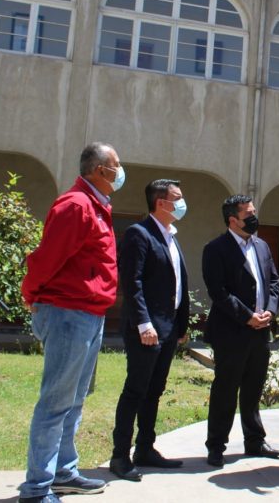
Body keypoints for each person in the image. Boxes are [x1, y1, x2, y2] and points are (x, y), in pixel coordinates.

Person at [18, 142, 123, 503]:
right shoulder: (76, 206)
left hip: (88, 314)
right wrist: (31, 294)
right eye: (115, 166)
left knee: (74, 400)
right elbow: (47, 258)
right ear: (99, 170)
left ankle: (63, 472)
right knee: (55, 402)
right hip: (67, 314)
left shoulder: (96, 206)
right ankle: (36, 489)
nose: (120, 172)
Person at [109, 179, 190, 481]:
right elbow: (133, 282)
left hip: (168, 329)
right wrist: (143, 323)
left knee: (154, 391)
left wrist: (180, 325)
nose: (182, 204)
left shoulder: (170, 236)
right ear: (160, 202)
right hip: (147, 329)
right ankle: (120, 456)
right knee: (136, 390)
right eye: (177, 198)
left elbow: (176, 283)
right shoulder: (139, 234)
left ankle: (145, 448)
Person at [202, 195, 279, 467]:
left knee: (253, 389)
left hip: (261, 331)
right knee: (226, 390)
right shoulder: (215, 249)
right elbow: (218, 292)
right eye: (248, 214)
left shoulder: (261, 245)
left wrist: (270, 310)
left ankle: (255, 440)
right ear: (232, 220)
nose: (253, 217)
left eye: (253, 212)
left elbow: (273, 280)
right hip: (231, 331)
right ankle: (216, 446)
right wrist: (247, 317)